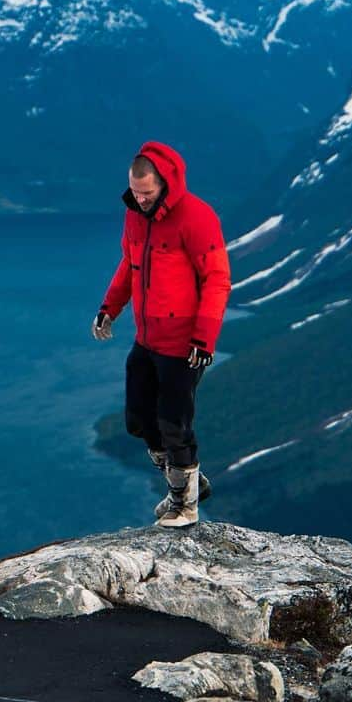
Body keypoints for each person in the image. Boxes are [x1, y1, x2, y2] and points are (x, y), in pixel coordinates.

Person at [91, 140, 232, 527]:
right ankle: (187, 480)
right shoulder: (135, 214)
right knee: (139, 421)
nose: (140, 201)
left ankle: (184, 506)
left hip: (185, 345)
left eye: (147, 194)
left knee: (174, 422)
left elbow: (218, 279)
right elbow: (130, 265)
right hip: (147, 339)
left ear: (165, 183)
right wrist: (109, 307)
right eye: (135, 194)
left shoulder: (197, 217)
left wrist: (204, 338)